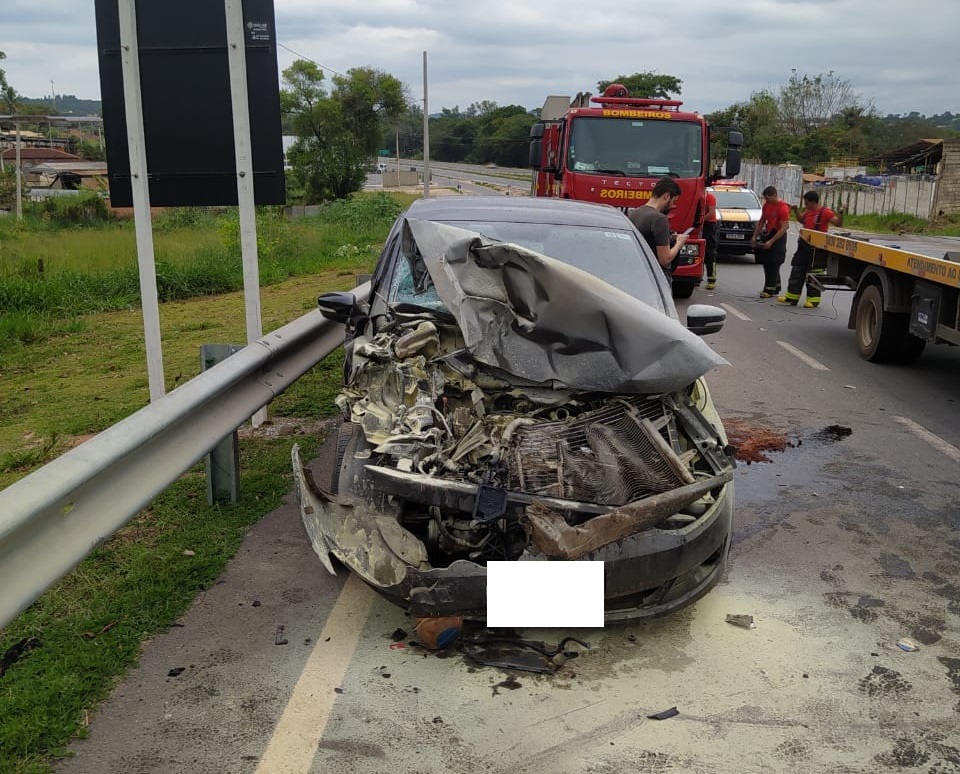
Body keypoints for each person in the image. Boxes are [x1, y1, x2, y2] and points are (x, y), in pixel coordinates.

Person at [779, 190, 845, 308]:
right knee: (797, 271)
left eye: (806, 202)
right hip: (803, 246)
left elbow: (838, 223)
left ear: (812, 201)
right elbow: (801, 220)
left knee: (814, 274)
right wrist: (795, 211)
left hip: (816, 249)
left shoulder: (825, 212)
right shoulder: (808, 212)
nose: (805, 205)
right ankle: (791, 297)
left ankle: (813, 300)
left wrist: (841, 213)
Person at [629, 176, 687, 284]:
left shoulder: (635, 213)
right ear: (666, 196)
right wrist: (679, 242)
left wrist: (668, 238)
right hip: (657, 277)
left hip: (639, 273)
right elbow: (664, 259)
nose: (674, 205)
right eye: (674, 201)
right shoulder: (659, 219)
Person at [752, 186, 791, 298]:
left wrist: (772, 241)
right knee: (767, 261)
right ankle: (776, 286)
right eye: (765, 199)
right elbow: (762, 222)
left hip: (778, 236)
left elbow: (784, 227)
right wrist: (755, 236)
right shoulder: (766, 206)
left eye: (768, 198)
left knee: (774, 262)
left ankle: (768, 289)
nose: (767, 201)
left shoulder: (782, 208)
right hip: (769, 233)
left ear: (774, 195)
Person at [703, 189, 718, 290]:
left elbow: (711, 213)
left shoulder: (710, 197)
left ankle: (711, 279)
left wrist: (700, 220)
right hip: (700, 225)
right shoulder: (699, 197)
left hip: (709, 226)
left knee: (709, 253)